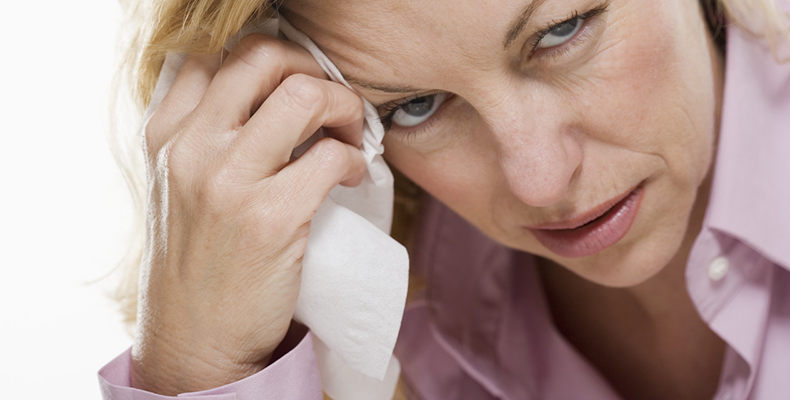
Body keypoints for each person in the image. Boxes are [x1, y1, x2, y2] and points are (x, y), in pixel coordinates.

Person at [99, 0, 790, 398]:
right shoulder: (386, 333)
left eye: (562, 29)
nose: (540, 179)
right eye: (417, 107)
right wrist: (194, 368)